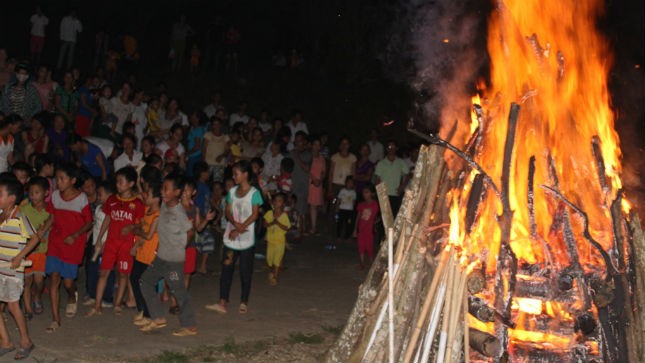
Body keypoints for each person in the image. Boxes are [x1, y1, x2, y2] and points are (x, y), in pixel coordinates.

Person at [139, 173, 198, 336]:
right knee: (145, 281)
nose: (162, 192)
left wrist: (181, 246)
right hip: (161, 257)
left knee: (178, 290)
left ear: (177, 192)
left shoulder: (178, 212)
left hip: (173, 260)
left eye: (166, 189)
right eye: (162, 188)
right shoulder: (165, 204)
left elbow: (190, 231)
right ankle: (158, 317)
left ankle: (190, 325)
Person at [205, 160, 262, 314]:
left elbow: (255, 214)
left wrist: (239, 228)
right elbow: (228, 212)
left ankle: (244, 301)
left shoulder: (254, 193)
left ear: (245, 174)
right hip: (231, 238)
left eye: (236, 173)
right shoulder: (232, 192)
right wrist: (235, 225)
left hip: (246, 240)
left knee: (245, 271)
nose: (233, 176)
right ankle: (222, 301)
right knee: (226, 269)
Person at [87, 167, 144, 317]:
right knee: (103, 272)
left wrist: (131, 228)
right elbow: (107, 218)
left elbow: (141, 224)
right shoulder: (112, 200)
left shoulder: (137, 203)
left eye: (121, 181)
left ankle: (118, 304)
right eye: (117, 181)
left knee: (124, 274)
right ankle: (97, 305)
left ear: (131, 183)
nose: (118, 184)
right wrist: (99, 239)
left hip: (126, 244)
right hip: (111, 242)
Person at [45, 163, 93, 332]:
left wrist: (75, 235)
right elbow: (51, 218)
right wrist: (41, 232)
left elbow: (89, 222)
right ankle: (55, 319)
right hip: (56, 243)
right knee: (54, 279)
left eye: (62, 179)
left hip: (73, 244)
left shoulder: (81, 198)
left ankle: (72, 296)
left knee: (67, 282)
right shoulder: (55, 196)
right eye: (57, 178)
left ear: (72, 180)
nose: (58, 182)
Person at [0, 175, 39, 360]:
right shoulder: (0, 215)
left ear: (12, 199)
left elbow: (35, 238)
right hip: (0, 269)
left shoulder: (19, 218)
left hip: (13, 272)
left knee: (14, 307)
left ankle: (26, 342)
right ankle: (6, 342)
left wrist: (19, 256)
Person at [130, 183, 161, 327]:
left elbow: (148, 235)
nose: (144, 196)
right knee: (135, 278)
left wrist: (137, 232)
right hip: (142, 252)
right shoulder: (147, 210)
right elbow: (143, 230)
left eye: (147, 194)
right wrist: (136, 245)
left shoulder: (158, 215)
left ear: (156, 199)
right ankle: (143, 309)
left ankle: (150, 315)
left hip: (151, 254)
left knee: (147, 284)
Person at [20, 176, 51, 321]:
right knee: (27, 281)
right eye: (31, 192)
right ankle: (28, 309)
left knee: (39, 281)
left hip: (42, 252)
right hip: (27, 252)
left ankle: (37, 295)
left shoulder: (50, 211)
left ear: (46, 193)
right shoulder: (24, 209)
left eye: (37, 192)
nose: (33, 196)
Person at [82, 179, 115, 309]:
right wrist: (88, 237)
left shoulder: (112, 211)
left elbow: (112, 230)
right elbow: (95, 225)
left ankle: (107, 298)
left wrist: (104, 244)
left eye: (100, 194)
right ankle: (92, 294)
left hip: (106, 246)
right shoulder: (99, 208)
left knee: (106, 272)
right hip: (95, 244)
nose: (99, 197)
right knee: (92, 269)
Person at [374, 141, 410, 216]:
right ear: (387, 149)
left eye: (393, 147)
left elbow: (407, 175)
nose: (391, 149)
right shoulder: (381, 163)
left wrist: (402, 187)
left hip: (396, 193)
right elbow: (377, 178)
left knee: (395, 216)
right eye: (389, 147)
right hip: (384, 195)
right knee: (384, 218)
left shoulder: (401, 162)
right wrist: (379, 193)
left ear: (396, 148)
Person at [263, 193, 290, 285]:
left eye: (279, 201)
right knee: (269, 259)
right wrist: (271, 223)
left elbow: (286, 227)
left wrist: (278, 223)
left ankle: (275, 276)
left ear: (283, 203)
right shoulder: (269, 213)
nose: (277, 202)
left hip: (279, 242)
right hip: (270, 241)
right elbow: (265, 224)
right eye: (275, 200)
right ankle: (272, 272)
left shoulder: (284, 215)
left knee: (277, 260)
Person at [354, 184, 379, 269]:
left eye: (367, 192)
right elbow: (358, 216)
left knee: (369, 247)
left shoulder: (375, 204)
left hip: (369, 230)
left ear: (372, 193)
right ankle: (362, 262)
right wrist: (355, 229)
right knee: (361, 246)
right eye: (364, 192)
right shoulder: (361, 205)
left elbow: (377, 216)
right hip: (361, 229)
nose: (364, 194)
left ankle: (372, 263)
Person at [331, 176, 356, 250]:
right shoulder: (342, 191)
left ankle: (347, 236)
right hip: (342, 209)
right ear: (346, 183)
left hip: (349, 211)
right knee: (340, 223)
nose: (350, 184)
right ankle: (338, 236)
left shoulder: (353, 192)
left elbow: (354, 202)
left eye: (351, 183)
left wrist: (352, 210)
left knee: (349, 224)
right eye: (348, 183)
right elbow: (338, 200)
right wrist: (336, 208)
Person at [307, 137, 326, 235]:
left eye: (319, 145)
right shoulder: (307, 156)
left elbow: (324, 171)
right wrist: (313, 179)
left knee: (314, 206)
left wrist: (320, 180)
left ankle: (313, 227)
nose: (316, 147)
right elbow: (306, 169)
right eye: (315, 144)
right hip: (309, 182)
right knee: (306, 205)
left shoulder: (322, 158)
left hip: (317, 184)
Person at [202, 117, 229, 182]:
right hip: (208, 163)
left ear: (221, 125)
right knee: (205, 181)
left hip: (220, 164)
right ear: (212, 126)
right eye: (214, 124)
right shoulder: (208, 135)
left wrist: (221, 156)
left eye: (218, 124)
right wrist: (203, 162)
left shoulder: (225, 137)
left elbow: (227, 150)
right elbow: (204, 148)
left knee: (217, 183)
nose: (216, 126)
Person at [186, 111, 206, 176]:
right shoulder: (193, 128)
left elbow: (197, 146)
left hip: (195, 156)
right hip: (193, 156)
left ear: (198, 118)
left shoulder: (198, 129)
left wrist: (186, 153)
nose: (191, 117)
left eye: (194, 116)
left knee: (192, 177)